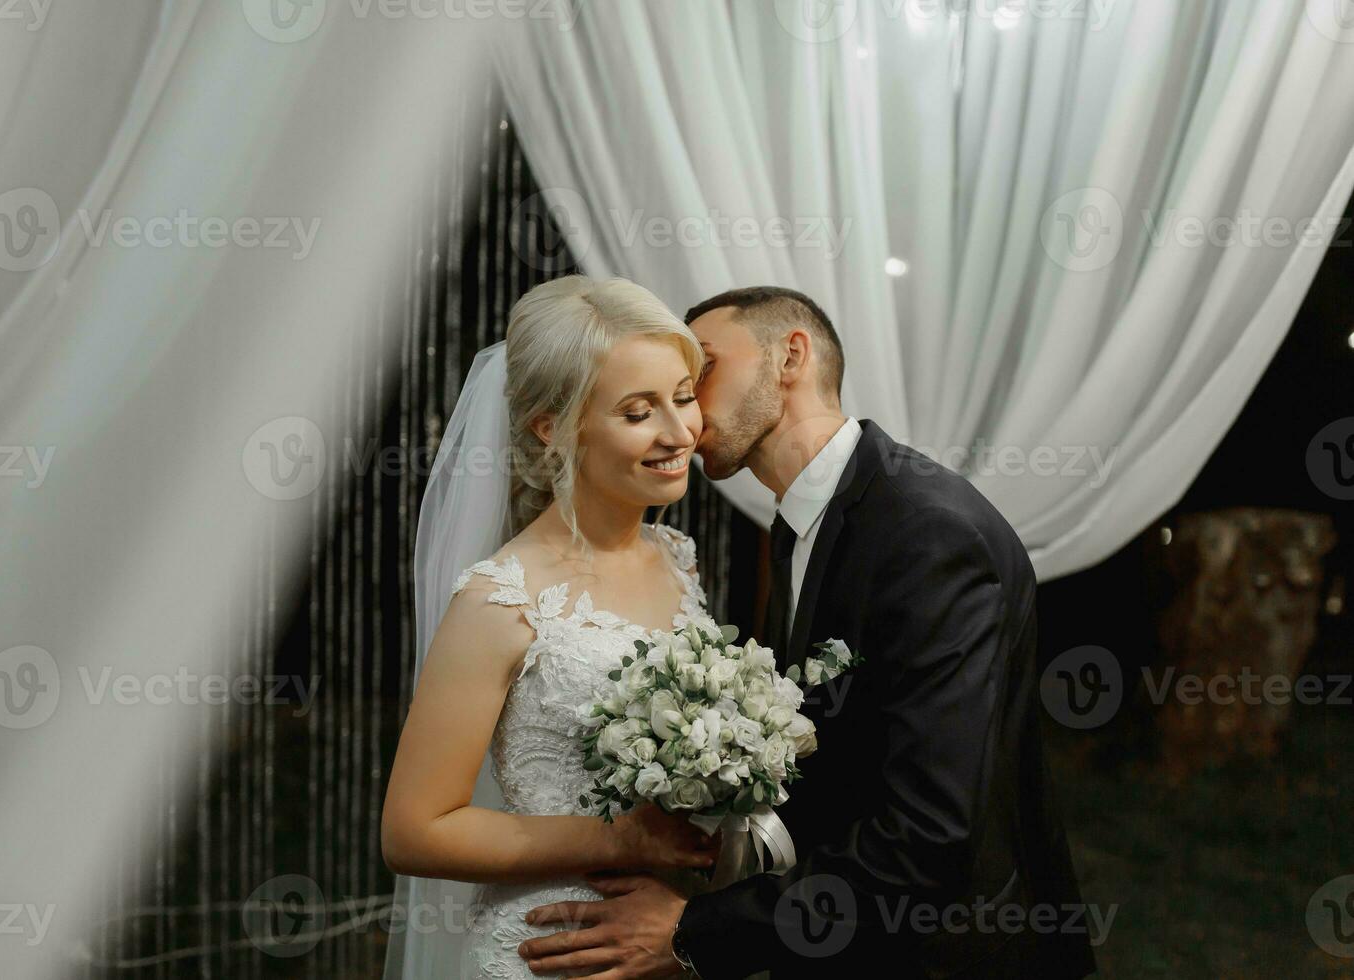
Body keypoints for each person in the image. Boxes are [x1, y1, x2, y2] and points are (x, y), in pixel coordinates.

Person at [517, 286, 1096, 979]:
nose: (688, 411)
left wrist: (697, 931)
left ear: (791, 356)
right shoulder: (801, 529)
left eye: (700, 372)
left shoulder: (925, 532)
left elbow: (928, 835)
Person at [380, 275, 722, 979]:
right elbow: (415, 831)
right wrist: (622, 842)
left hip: (664, 944)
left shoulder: (677, 557)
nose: (679, 432)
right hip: (549, 953)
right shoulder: (501, 598)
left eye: (684, 398)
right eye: (638, 412)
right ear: (553, 427)